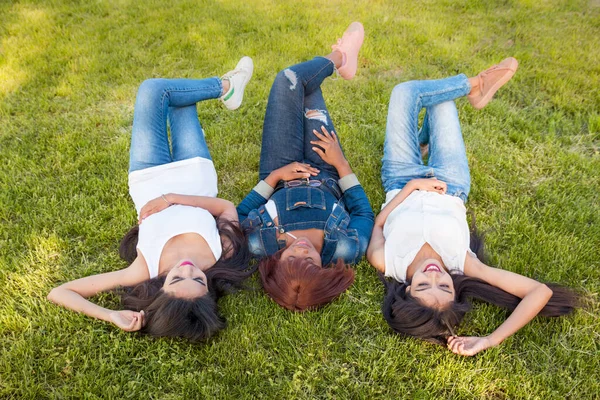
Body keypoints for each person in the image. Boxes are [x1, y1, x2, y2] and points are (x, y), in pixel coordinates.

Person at [366, 58, 578, 356]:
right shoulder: (464, 264)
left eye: (424, 286)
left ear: (406, 290)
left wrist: (413, 187)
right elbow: (539, 292)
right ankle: (468, 96)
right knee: (442, 104)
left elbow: (378, 224)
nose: (434, 276)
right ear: (456, 288)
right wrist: (491, 339)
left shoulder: (388, 261)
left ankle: (475, 85)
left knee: (404, 92)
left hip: (401, 178)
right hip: (451, 181)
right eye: (445, 287)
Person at [48, 57, 255, 341]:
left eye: (177, 279)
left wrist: (110, 315)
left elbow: (60, 292)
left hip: (147, 175)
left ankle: (227, 86)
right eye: (198, 280)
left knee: (153, 91)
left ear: (161, 288)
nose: (188, 270)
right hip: (195, 172)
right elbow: (225, 208)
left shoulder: (143, 268)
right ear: (208, 290)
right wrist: (171, 198)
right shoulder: (223, 255)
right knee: (183, 103)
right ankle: (226, 86)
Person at [237, 22, 375, 312]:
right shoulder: (346, 248)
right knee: (306, 90)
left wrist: (274, 177)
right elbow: (363, 212)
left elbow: (237, 215)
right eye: (310, 260)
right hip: (326, 167)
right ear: (324, 269)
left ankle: (340, 58)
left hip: (280, 166)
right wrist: (341, 162)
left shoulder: (260, 244)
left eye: (291, 259)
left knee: (289, 79)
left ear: (276, 264)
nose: (301, 250)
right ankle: (340, 59)